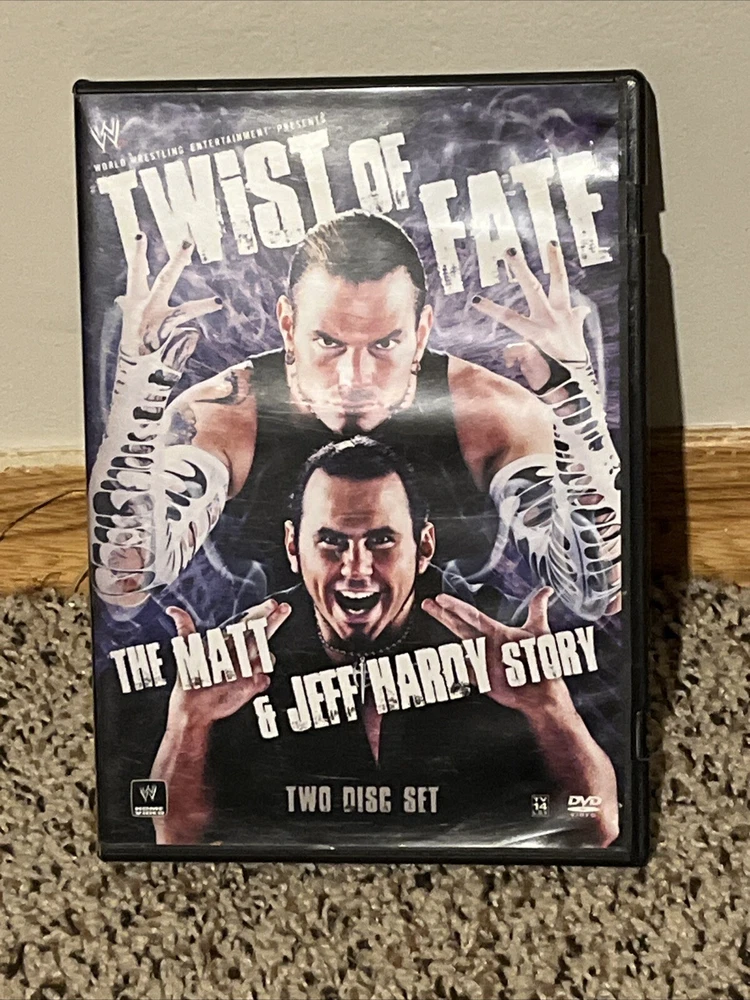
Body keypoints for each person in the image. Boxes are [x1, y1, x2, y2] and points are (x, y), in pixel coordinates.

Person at [90, 210, 621, 621]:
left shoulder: (491, 415)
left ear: (421, 333)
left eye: (384, 343)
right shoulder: (226, 416)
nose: (355, 377)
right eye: (328, 342)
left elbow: (597, 591)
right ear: (287, 325)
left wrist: (573, 407)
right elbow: (125, 581)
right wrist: (138, 398)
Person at [150, 438, 619, 849]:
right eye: (331, 541)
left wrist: (549, 708)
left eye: (380, 541)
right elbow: (177, 836)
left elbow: (595, 826)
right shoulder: (239, 655)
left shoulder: (500, 636)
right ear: (294, 547)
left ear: (424, 546)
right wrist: (189, 720)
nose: (356, 568)